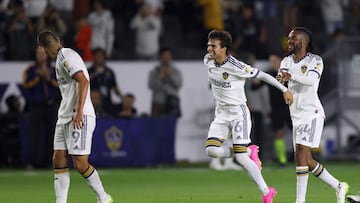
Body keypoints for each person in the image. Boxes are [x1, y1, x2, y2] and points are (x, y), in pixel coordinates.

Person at [203, 29, 293, 203]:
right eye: (208, 45)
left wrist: (285, 89)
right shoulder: (208, 61)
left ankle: (267, 193)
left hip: (238, 113)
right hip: (221, 114)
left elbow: (264, 75)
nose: (209, 49)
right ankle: (248, 150)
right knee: (211, 151)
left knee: (241, 158)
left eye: (213, 46)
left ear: (224, 48)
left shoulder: (236, 66)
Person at [37, 30, 113, 203]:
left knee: (79, 163)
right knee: (58, 159)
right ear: (57, 40)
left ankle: (104, 198)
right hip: (64, 115)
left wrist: (79, 111)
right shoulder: (59, 58)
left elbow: (84, 81)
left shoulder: (66, 56)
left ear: (42, 49)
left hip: (80, 115)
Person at [277, 27, 349, 203]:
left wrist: (290, 75)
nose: (289, 42)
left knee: (301, 153)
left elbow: (311, 80)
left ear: (304, 42)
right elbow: (282, 79)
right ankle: (338, 185)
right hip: (296, 116)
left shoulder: (315, 60)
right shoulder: (286, 61)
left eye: (293, 39)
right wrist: (281, 82)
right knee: (305, 159)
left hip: (312, 113)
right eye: (289, 38)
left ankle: (300, 201)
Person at [22, 46, 60, 169]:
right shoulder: (31, 70)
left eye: (43, 53)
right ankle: (31, 162)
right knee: (34, 136)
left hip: (51, 106)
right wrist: (38, 77)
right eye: (39, 53)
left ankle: (49, 162)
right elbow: (26, 85)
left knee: (52, 136)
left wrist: (48, 79)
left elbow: (60, 86)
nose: (41, 55)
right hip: (36, 106)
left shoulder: (55, 70)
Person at [148, 47, 182, 117]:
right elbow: (151, 86)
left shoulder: (175, 71)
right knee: (155, 125)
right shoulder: (154, 71)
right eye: (164, 55)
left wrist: (171, 76)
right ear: (160, 57)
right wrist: (160, 78)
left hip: (172, 102)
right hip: (158, 102)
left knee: (170, 125)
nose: (166, 57)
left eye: (168, 55)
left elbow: (178, 85)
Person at [88, 47, 122, 113]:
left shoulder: (109, 72)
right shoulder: (90, 71)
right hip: (93, 100)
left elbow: (115, 87)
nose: (99, 58)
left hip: (107, 101)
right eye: (97, 56)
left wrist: (122, 98)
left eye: (100, 56)